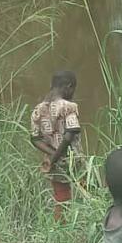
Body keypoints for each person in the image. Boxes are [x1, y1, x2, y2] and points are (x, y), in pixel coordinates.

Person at [30, 70, 83, 221]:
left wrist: (52, 155)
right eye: (73, 89)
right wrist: (58, 155)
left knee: (61, 197)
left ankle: (60, 229)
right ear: (69, 86)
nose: (73, 93)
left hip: (53, 163)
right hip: (74, 159)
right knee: (90, 190)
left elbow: (35, 138)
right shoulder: (69, 107)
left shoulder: (38, 110)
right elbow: (69, 134)